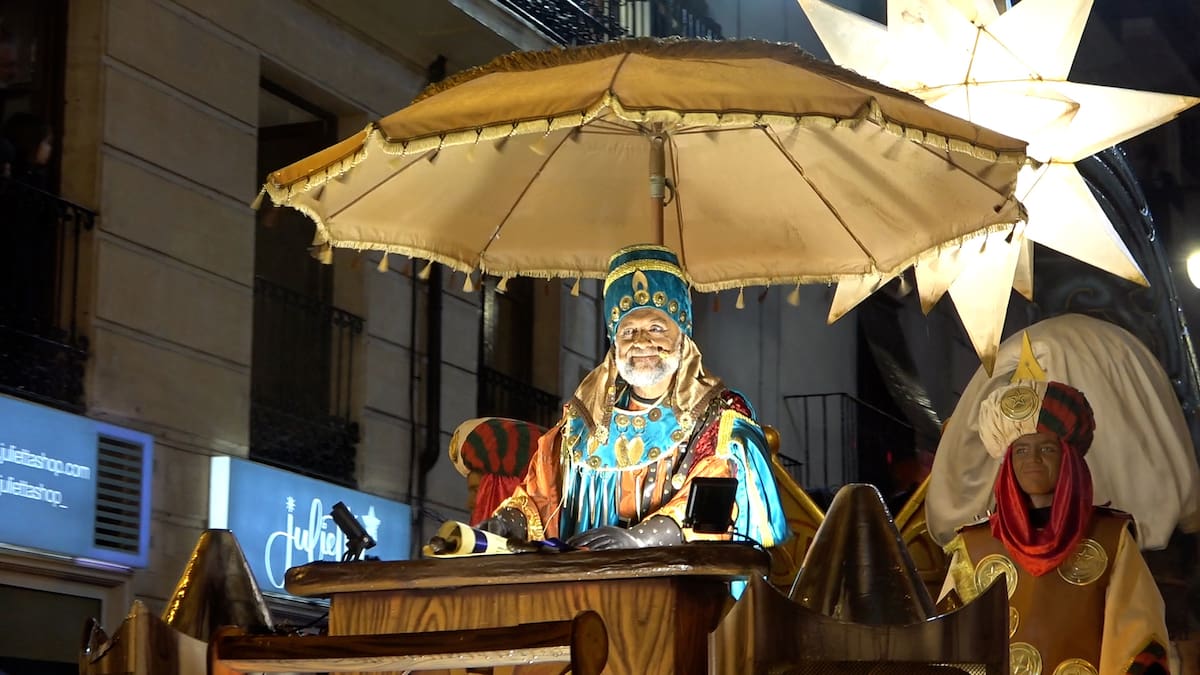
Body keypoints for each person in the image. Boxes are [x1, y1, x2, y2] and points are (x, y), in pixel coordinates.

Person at [471, 244, 789, 551]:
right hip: (585, 585)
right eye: (628, 331)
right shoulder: (584, 420)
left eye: (656, 327)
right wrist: (507, 522)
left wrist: (641, 539)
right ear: (614, 341)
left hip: (683, 587)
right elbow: (541, 497)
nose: (641, 342)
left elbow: (720, 498)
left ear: (682, 334)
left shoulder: (720, 416)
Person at [940, 348, 1170, 675]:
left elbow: (1139, 636)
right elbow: (949, 646)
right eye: (1021, 450)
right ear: (1008, 463)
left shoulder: (1110, 538)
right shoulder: (973, 548)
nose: (1032, 460)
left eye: (1046, 448)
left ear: (1069, 460)